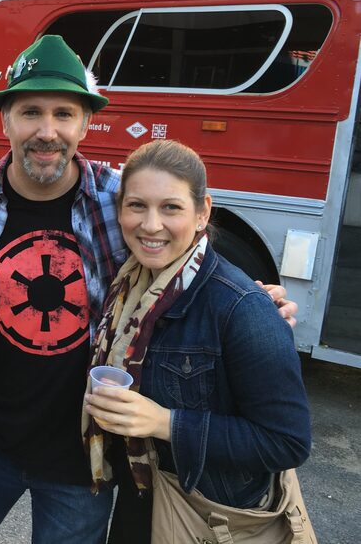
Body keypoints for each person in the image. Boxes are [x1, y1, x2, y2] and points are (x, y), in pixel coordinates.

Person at [0, 35, 299, 544]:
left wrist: (256, 307)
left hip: (83, 460)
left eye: (64, 113)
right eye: (30, 112)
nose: (47, 131)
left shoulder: (122, 202)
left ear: (86, 123)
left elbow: (190, 268)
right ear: (5, 120)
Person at [83, 139, 311, 543]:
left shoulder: (241, 307)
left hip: (209, 515)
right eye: (137, 205)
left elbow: (286, 442)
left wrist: (165, 423)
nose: (151, 225)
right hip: (144, 496)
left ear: (203, 211)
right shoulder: (129, 286)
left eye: (171, 207)